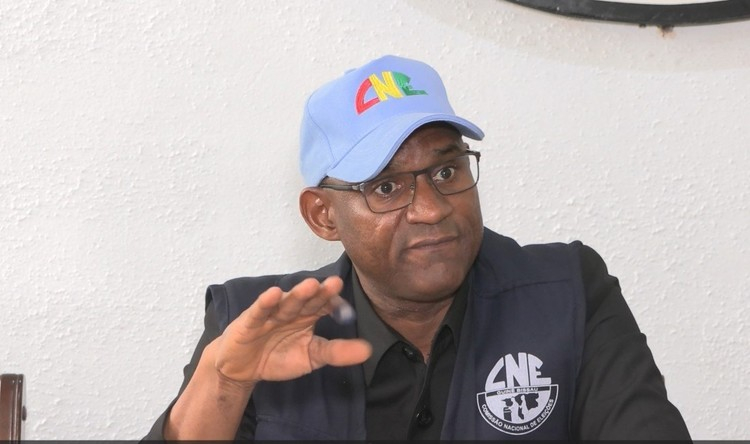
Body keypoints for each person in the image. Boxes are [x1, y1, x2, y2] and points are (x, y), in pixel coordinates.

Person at [143, 55, 690, 440]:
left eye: (447, 170)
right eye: (386, 186)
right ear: (323, 215)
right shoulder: (255, 322)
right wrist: (225, 382)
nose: (431, 208)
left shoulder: (569, 295)